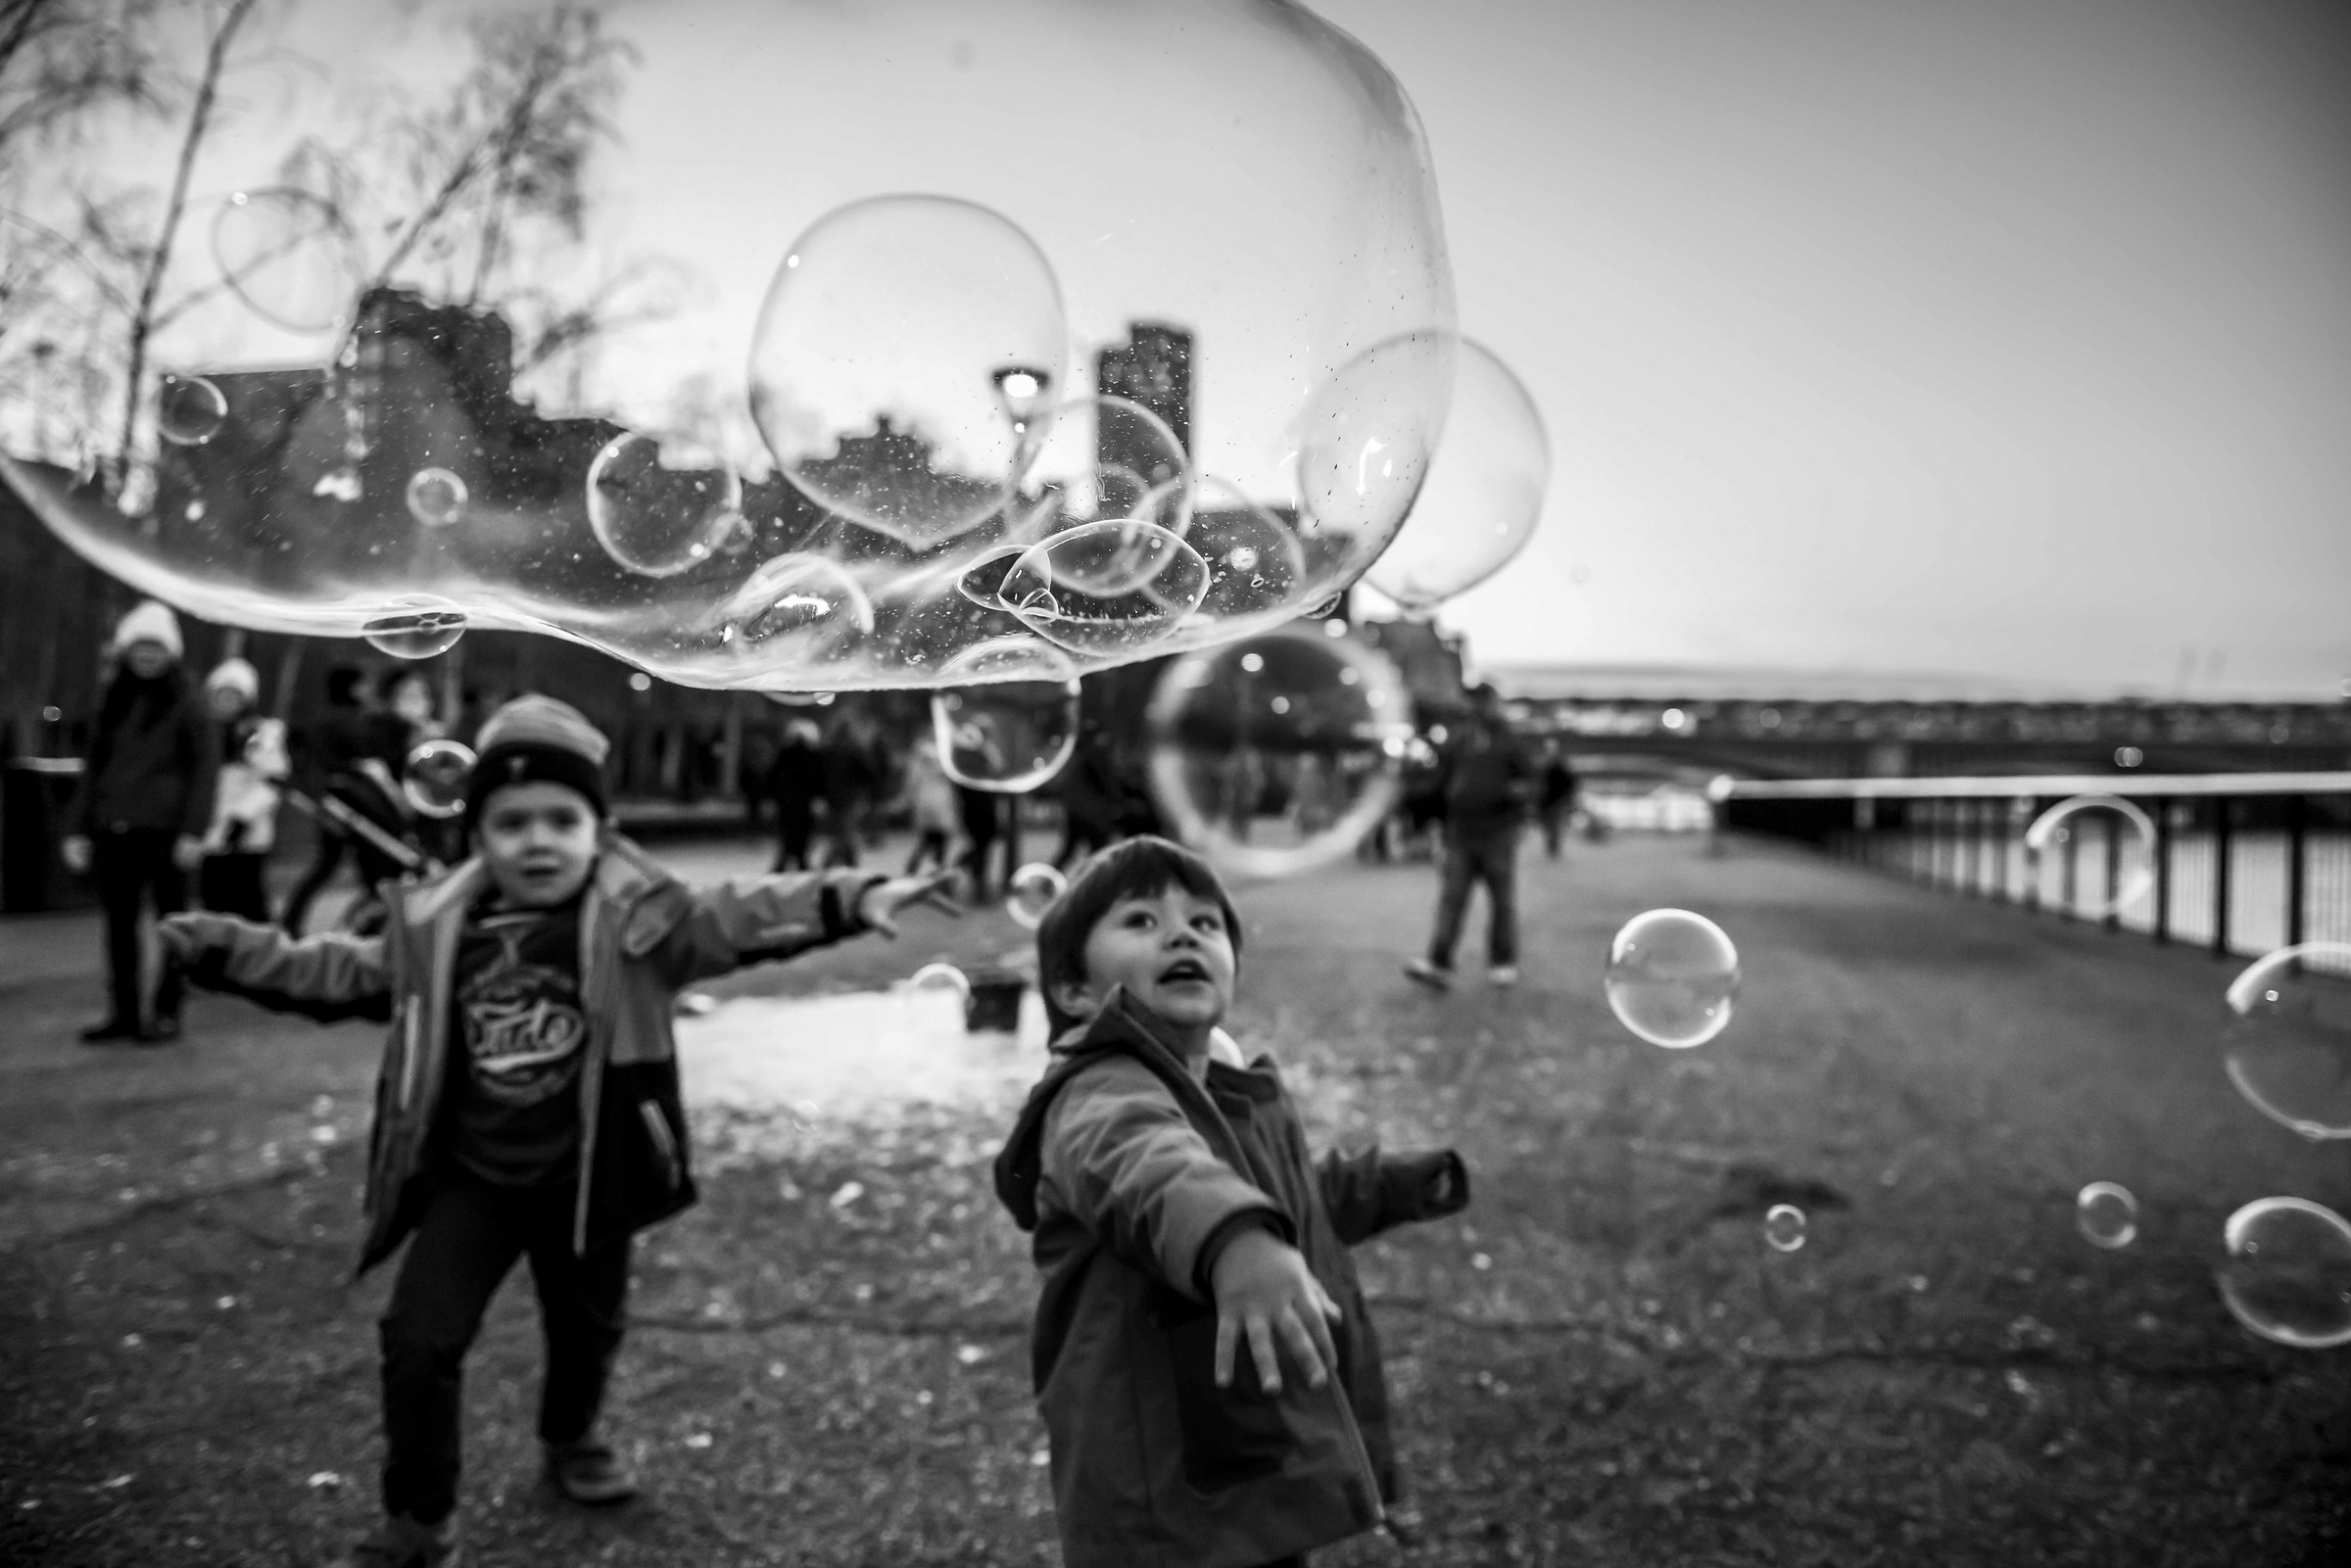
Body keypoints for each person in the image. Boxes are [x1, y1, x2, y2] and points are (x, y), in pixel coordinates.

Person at [157, 694, 958, 1568]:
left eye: (562, 820)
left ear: (600, 831)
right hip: (476, 1179)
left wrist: (853, 893)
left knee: (587, 1332)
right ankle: (420, 1518)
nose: (537, 841)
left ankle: (570, 1434)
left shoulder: (642, 920)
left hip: (593, 1173)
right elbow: (327, 971)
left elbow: (743, 912)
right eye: (511, 823)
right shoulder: (435, 930)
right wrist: (222, 947)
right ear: (477, 836)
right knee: (418, 1339)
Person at [993, 837, 1470, 1568]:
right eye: (1142, 921)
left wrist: (1385, 1184)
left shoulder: (1221, 1085)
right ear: (1074, 991)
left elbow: (1289, 1195)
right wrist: (1234, 1239)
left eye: (1205, 923)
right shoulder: (1097, 1093)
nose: (1182, 935)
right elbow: (1150, 1167)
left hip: (1244, 1440)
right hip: (1165, 1482)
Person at [62, 600, 219, 1043]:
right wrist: (77, 828)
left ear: (170, 652)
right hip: (114, 826)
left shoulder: (189, 702)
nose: (147, 656)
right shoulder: (112, 701)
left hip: (166, 831)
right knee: (118, 925)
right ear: (127, 651)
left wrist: (194, 830)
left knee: (172, 924)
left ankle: (167, 1010)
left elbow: (205, 768)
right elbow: (94, 768)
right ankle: (124, 1012)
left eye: (156, 648)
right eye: (140, 647)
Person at [1403, 683, 1535, 991]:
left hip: (1497, 832)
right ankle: (1439, 963)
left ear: (1492, 704)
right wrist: (1417, 800)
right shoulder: (1459, 738)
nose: (1474, 708)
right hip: (1460, 832)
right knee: (1452, 899)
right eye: (1471, 702)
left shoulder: (1509, 740)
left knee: (1501, 901)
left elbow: (1530, 780)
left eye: (1480, 702)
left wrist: (1510, 794)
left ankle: (1502, 962)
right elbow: (1440, 779)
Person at [280, 667, 416, 935]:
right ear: (352, 688)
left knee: (328, 865)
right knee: (376, 863)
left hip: (334, 804)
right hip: (353, 805)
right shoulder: (347, 720)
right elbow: (371, 750)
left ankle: (292, 922)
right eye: (363, 684)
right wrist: (402, 725)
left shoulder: (327, 717)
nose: (368, 690)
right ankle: (378, 921)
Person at [197, 656, 288, 923]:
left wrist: (241, 818)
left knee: (249, 903)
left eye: (234, 696)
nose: (226, 702)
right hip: (209, 832)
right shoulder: (202, 732)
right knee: (213, 903)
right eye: (221, 695)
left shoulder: (260, 734)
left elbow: (272, 781)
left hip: (247, 835)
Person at [762, 717, 824, 873]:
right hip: (802, 803)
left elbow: (772, 778)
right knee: (800, 836)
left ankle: (786, 865)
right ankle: (798, 864)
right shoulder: (812, 756)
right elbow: (819, 780)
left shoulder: (785, 755)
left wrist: (770, 798)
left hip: (788, 802)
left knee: (789, 836)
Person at [897, 732, 962, 875]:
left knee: (930, 837)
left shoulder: (920, 755)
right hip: (940, 800)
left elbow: (912, 779)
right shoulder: (943, 754)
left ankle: (919, 866)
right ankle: (936, 868)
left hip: (926, 799)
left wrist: (910, 798)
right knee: (939, 837)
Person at [1537, 740, 1579, 861]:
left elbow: (1571, 781)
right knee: (1548, 825)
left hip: (1557, 800)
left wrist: (1569, 796)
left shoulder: (1561, 765)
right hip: (1547, 801)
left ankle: (1553, 848)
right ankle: (1552, 847)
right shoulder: (1543, 765)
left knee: (1555, 825)